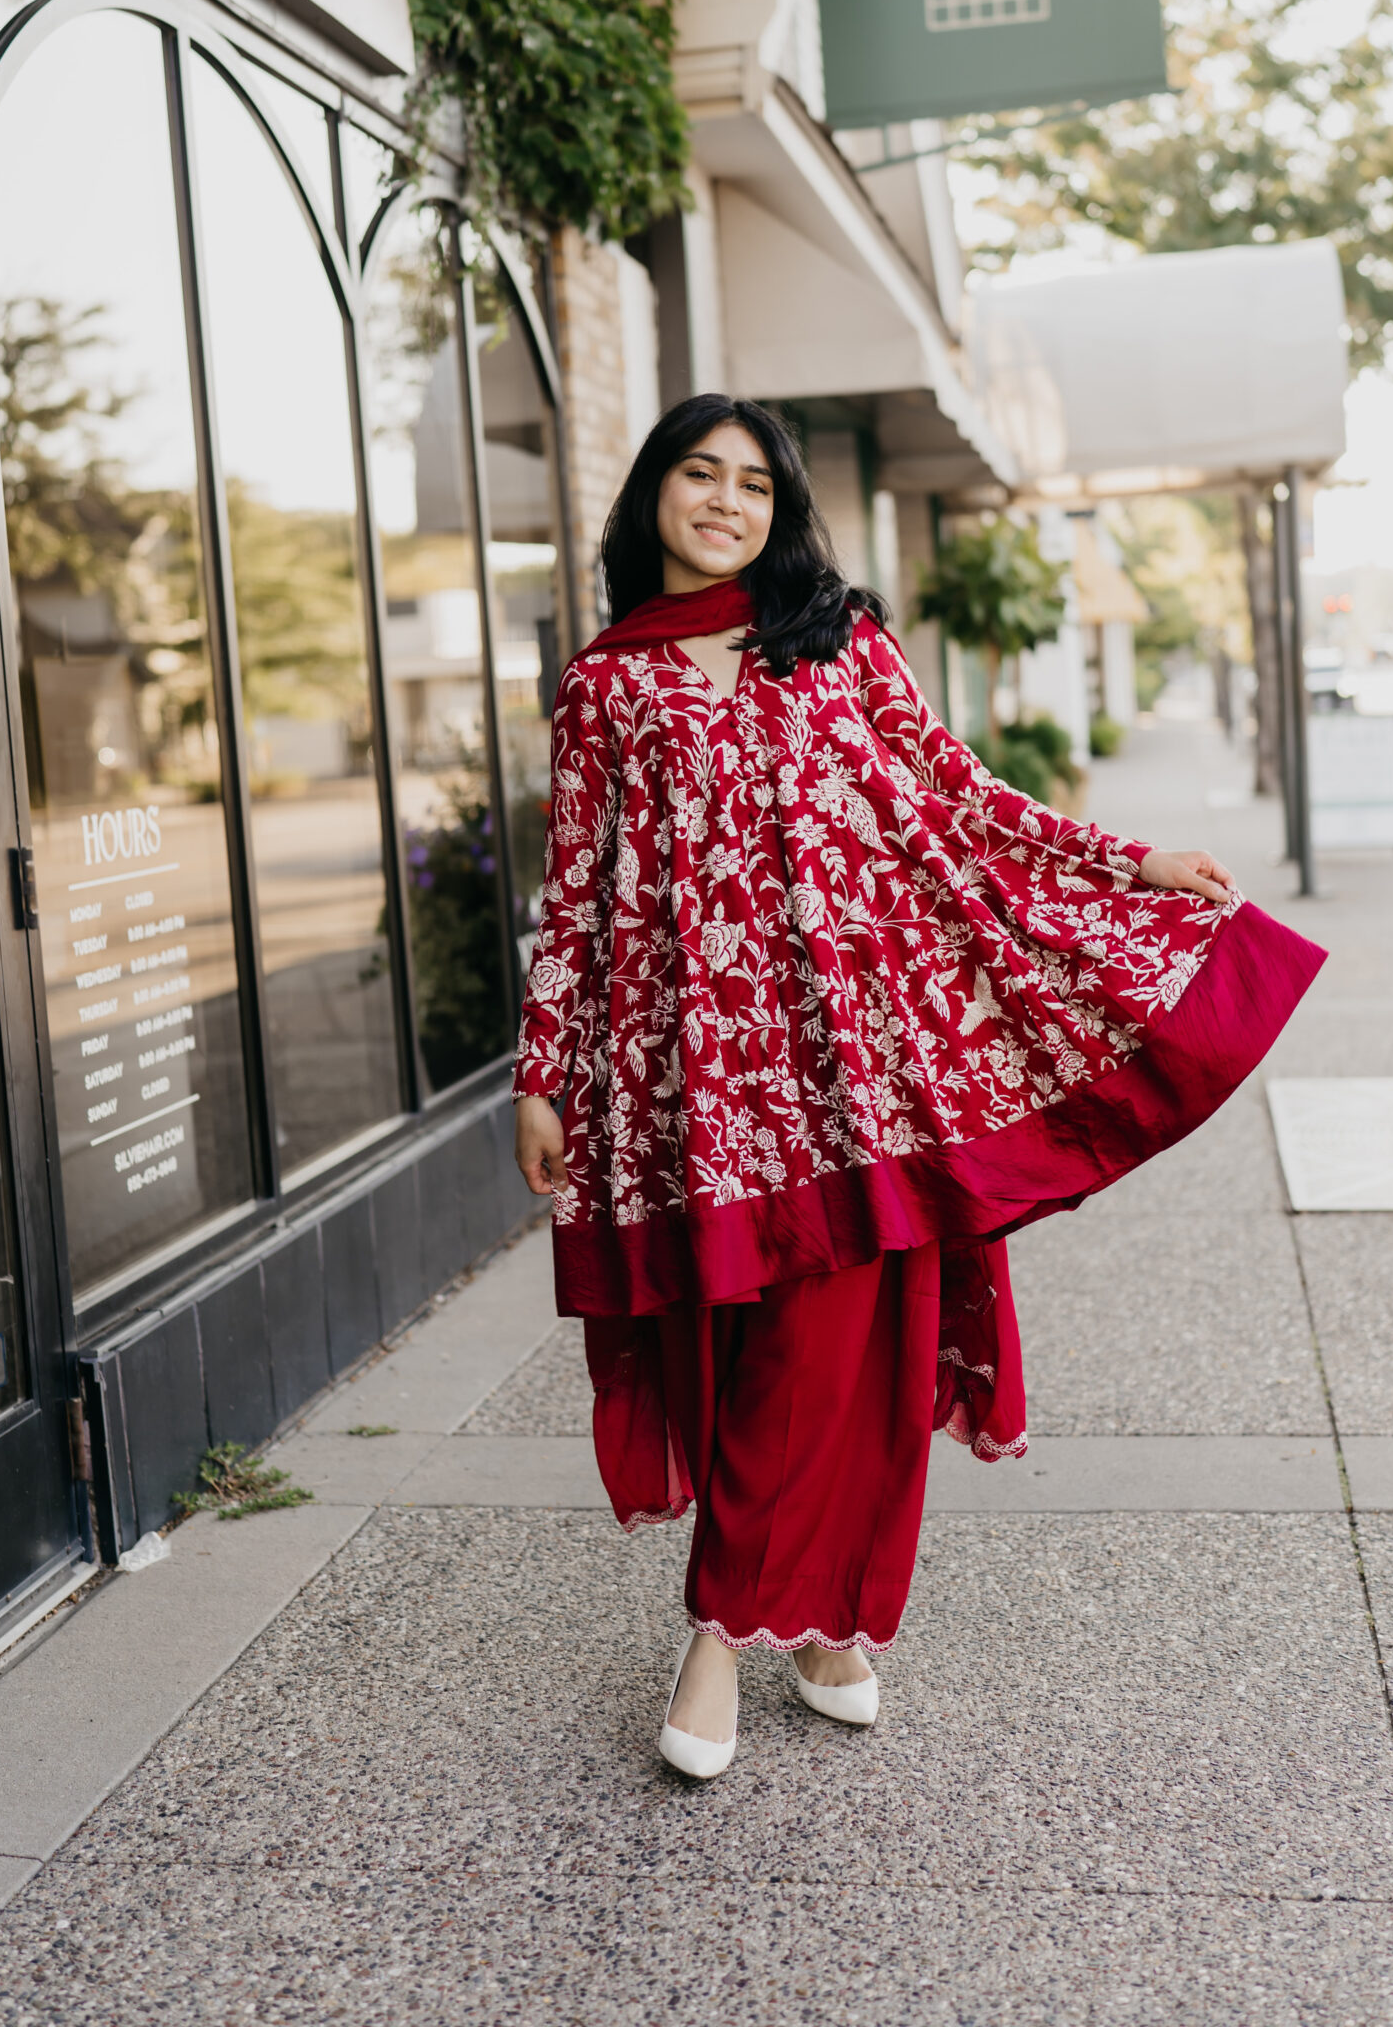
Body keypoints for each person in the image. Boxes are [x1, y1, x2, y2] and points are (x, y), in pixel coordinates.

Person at [513, 396, 1323, 1781]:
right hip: (698, 1081)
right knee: (734, 1345)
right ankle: (826, 1622)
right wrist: (543, 1075)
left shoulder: (835, 639)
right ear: (652, 493)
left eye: (754, 486)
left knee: (847, 1346)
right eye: (700, 476)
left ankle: (724, 1626)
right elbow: (579, 888)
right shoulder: (605, 685)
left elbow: (960, 798)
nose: (725, 503)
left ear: (781, 511)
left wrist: (1132, 864)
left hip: (857, 1064)